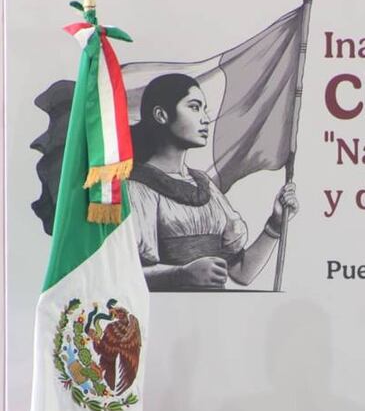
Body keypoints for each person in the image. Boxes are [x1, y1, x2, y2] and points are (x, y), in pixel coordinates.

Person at [127, 73, 299, 291]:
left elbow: (241, 273)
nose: (205, 118)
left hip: (214, 315)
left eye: (204, 108)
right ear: (161, 115)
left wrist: (275, 223)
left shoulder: (204, 184)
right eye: (194, 107)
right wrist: (181, 275)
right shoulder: (137, 186)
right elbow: (125, 274)